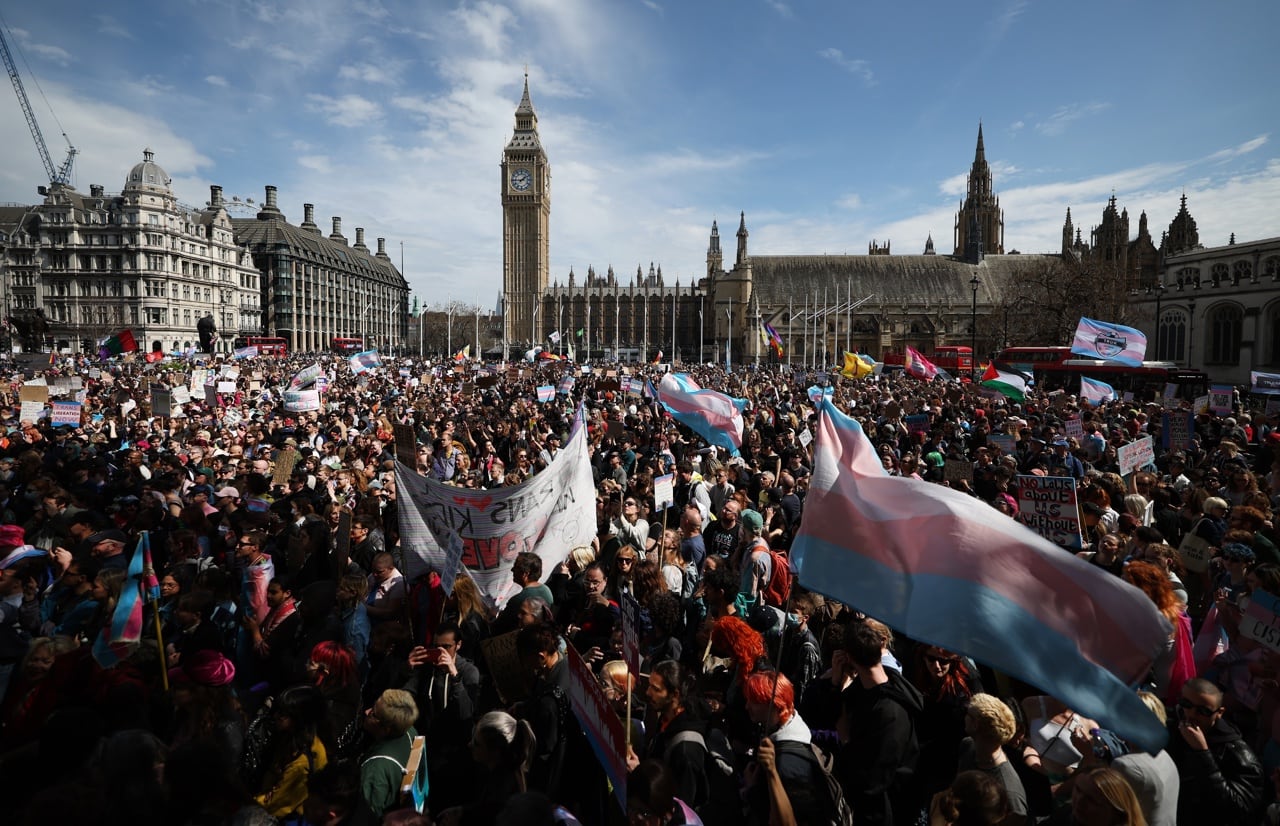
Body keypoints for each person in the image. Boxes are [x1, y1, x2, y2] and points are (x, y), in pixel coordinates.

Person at [837, 617, 923, 825]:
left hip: (882, 812)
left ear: (850, 658)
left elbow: (876, 780)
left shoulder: (891, 713)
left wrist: (846, 741)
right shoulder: (865, 689)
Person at [1167, 677, 1264, 825]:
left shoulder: (1240, 755)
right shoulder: (1173, 723)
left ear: (1219, 712)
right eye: (1186, 704)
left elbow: (1238, 808)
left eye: (1203, 711)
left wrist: (1202, 753)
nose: (1192, 714)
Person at [437, 711, 537, 826]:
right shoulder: (503, 775)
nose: (470, 744)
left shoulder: (500, 798)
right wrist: (462, 810)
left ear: (495, 752)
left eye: (477, 743)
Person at [251, 684, 330, 820]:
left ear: (299, 718)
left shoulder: (302, 762)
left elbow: (273, 805)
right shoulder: (294, 738)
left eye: (283, 714)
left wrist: (250, 800)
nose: (276, 716)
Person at [955, 693, 1027, 825]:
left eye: (968, 714)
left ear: (976, 725)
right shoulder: (968, 745)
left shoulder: (1010, 792)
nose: (965, 717)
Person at [357, 688, 420, 822]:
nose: (367, 711)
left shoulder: (375, 768)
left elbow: (367, 816)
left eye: (373, 714)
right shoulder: (409, 731)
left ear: (387, 729)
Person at [1070, 767, 1148, 826]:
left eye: (1091, 799)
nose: (1079, 800)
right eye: (1078, 789)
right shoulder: (1068, 816)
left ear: (1116, 812)